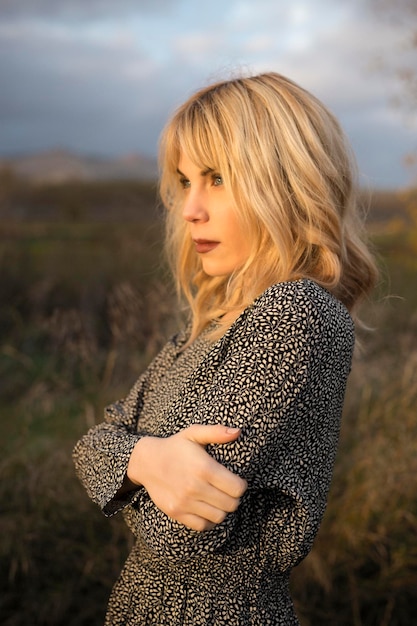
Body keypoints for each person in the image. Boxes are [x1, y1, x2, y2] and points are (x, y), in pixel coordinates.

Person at [73, 72, 378, 625]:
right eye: (184, 182)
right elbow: (89, 447)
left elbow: (174, 530)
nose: (189, 209)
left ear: (287, 182)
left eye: (216, 178)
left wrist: (125, 458)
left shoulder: (298, 314)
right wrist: (143, 457)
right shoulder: (206, 328)